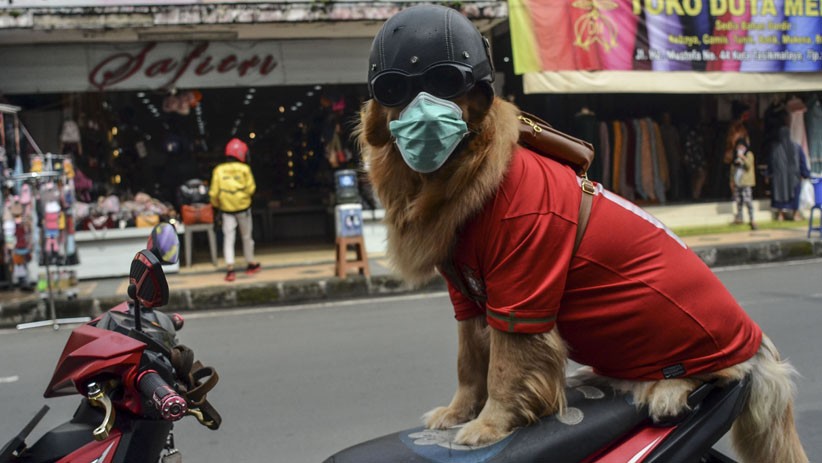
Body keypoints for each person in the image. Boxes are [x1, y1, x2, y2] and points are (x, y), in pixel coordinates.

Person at [358, 5, 807, 461]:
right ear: (378, 115)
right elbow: (474, 299)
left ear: (480, 99)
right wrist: (466, 398)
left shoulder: (516, 200)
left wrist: (499, 413)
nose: (422, 109)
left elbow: (519, 325)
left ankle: (690, 372)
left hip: (703, 350)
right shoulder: (456, 202)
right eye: (397, 91)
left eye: (445, 86)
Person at [209, 138, 260, 281]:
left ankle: (230, 269)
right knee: (247, 237)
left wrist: (218, 206)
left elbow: (213, 193)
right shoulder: (245, 169)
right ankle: (251, 263)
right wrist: (244, 199)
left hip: (226, 210)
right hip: (243, 209)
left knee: (228, 239)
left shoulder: (218, 170)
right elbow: (251, 189)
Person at [767, 122, 810, 221]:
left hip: (779, 178)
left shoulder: (775, 148)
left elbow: (771, 163)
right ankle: (795, 214)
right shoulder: (796, 147)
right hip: (793, 177)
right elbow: (802, 162)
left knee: (779, 193)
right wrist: (806, 174)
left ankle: (780, 215)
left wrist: (769, 174)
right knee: (794, 194)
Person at [730, 138, 757, 229]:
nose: (740, 148)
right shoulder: (735, 156)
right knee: (739, 201)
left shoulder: (749, 154)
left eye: (742, 146)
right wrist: (732, 181)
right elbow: (733, 169)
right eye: (738, 146)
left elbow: (749, 165)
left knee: (748, 201)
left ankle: (752, 219)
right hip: (738, 182)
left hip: (746, 182)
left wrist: (742, 157)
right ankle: (739, 218)